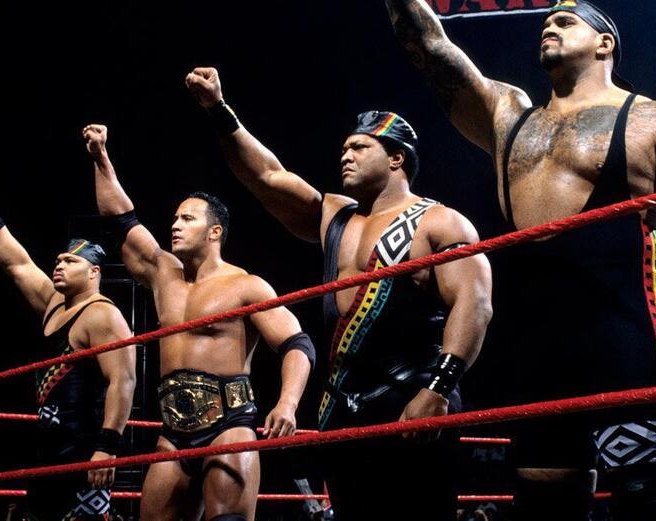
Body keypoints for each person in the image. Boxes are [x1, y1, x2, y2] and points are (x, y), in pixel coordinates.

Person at [352, 0, 656, 520]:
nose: (548, 27)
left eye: (565, 21)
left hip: (625, 340)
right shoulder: (509, 117)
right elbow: (429, 46)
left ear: (605, 43)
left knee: (649, 505)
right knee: (543, 507)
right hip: (536, 348)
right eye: (546, 22)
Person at [185, 67, 493, 520]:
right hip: (341, 402)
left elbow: (475, 304)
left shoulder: (439, 222)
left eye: (359, 147)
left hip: (414, 394)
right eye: (344, 148)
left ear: (396, 158)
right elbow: (267, 177)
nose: (345, 155)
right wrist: (218, 109)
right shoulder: (335, 215)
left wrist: (438, 388)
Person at [83, 124, 313, 521]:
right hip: (172, 431)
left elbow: (297, 343)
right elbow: (120, 220)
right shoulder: (163, 274)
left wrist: (288, 404)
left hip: (230, 425)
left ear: (214, 232)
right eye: (175, 218)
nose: (175, 225)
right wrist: (100, 157)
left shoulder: (246, 285)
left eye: (187, 219)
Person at [0, 189, 135, 520]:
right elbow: (17, 264)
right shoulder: (54, 305)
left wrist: (107, 447)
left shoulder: (103, 315)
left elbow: (124, 381)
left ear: (94, 272)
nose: (59, 265)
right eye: (58, 260)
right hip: (47, 447)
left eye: (71, 261)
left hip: (84, 448)